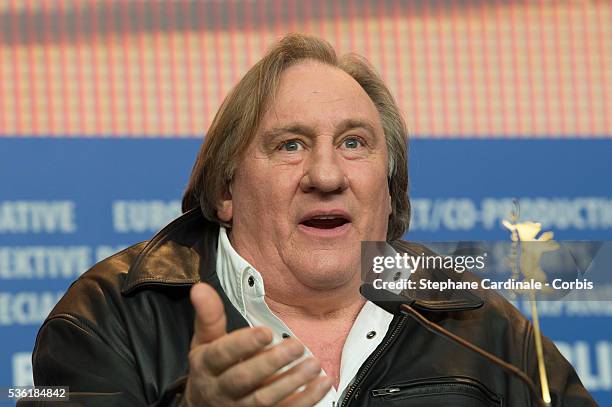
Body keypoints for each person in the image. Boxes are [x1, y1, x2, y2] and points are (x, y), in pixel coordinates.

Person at [23, 34, 595, 407]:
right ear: (225, 189)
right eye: (290, 145)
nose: (326, 174)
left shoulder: (476, 320)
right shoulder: (102, 318)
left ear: (389, 192)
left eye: (354, 143)